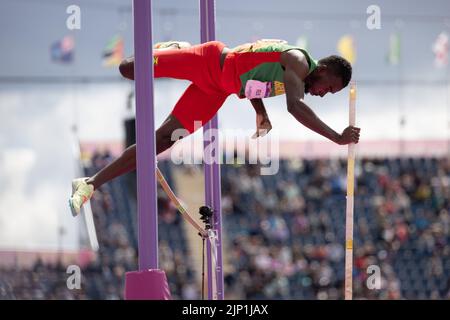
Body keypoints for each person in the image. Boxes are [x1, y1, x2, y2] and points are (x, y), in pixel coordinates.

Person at [69, 39, 361, 216]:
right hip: (209, 62)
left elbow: (252, 83)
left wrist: (261, 113)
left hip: (215, 91)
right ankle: (174, 48)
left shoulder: (291, 78)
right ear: (322, 70)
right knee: (130, 69)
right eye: (328, 88)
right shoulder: (298, 62)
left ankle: (89, 184)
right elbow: (295, 107)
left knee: (159, 143)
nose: (322, 94)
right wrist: (336, 137)